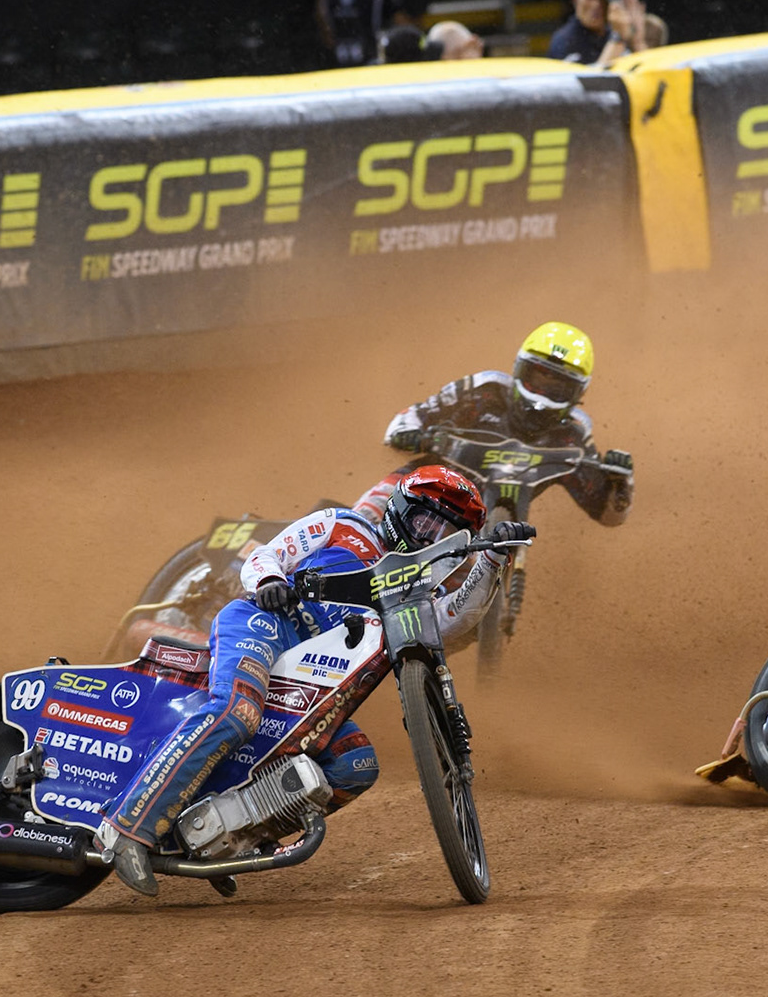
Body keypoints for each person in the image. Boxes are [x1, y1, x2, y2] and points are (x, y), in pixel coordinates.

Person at [96, 467, 533, 895]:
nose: (428, 538)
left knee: (354, 764)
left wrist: (494, 558)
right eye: (425, 521)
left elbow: (453, 623)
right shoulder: (342, 524)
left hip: (314, 681)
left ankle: (224, 839)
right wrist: (269, 581)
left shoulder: (419, 588)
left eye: (443, 534)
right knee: (236, 712)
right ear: (401, 508)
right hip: (265, 624)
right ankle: (127, 829)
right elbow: (265, 555)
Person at [356, 322, 634, 530]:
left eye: (557, 388)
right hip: (421, 486)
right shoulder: (485, 390)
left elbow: (607, 514)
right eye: (536, 379)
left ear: (577, 394)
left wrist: (622, 485)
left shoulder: (572, 436)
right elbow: (409, 419)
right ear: (518, 369)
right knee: (363, 522)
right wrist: (413, 436)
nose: (540, 396)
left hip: (482, 522)